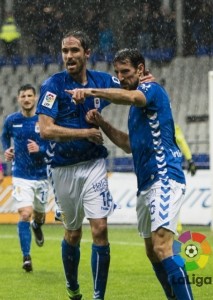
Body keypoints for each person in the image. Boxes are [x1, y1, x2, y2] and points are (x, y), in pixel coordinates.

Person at [66, 48, 194, 300]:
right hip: (145, 183)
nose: (121, 77)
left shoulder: (150, 91)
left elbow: (133, 97)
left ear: (140, 69)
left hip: (164, 176)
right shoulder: (135, 109)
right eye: (118, 73)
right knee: (151, 250)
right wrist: (102, 123)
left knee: (162, 245)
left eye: (125, 72)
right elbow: (128, 145)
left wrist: (91, 91)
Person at [36, 30, 121, 300]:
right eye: (65, 51)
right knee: (72, 233)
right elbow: (46, 130)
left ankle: (99, 296)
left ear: (87, 53)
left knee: (100, 228)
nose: (69, 56)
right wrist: (85, 132)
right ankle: (73, 286)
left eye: (74, 50)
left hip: (94, 163)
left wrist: (144, 82)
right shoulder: (53, 85)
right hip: (63, 169)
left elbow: (129, 88)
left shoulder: (102, 80)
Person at [1, 84, 49, 272]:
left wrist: (40, 149)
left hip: (42, 175)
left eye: (30, 95)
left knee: (39, 215)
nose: (27, 99)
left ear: (35, 98)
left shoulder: (44, 119)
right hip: (21, 174)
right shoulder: (12, 120)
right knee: (24, 214)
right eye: (23, 96)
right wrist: (7, 149)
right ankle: (26, 257)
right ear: (18, 99)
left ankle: (37, 226)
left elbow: (52, 144)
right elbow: (4, 136)